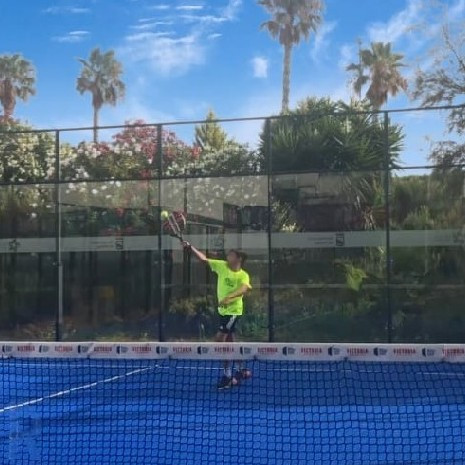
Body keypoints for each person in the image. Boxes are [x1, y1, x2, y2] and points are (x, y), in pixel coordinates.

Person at [183, 241, 252, 389]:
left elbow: (244, 289)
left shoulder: (243, 275)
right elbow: (204, 260)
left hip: (233, 312)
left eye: (231, 255)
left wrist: (229, 298)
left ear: (239, 258)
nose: (228, 256)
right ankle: (241, 369)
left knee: (220, 340)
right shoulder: (222, 266)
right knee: (230, 342)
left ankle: (227, 376)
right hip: (223, 312)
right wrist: (191, 248)